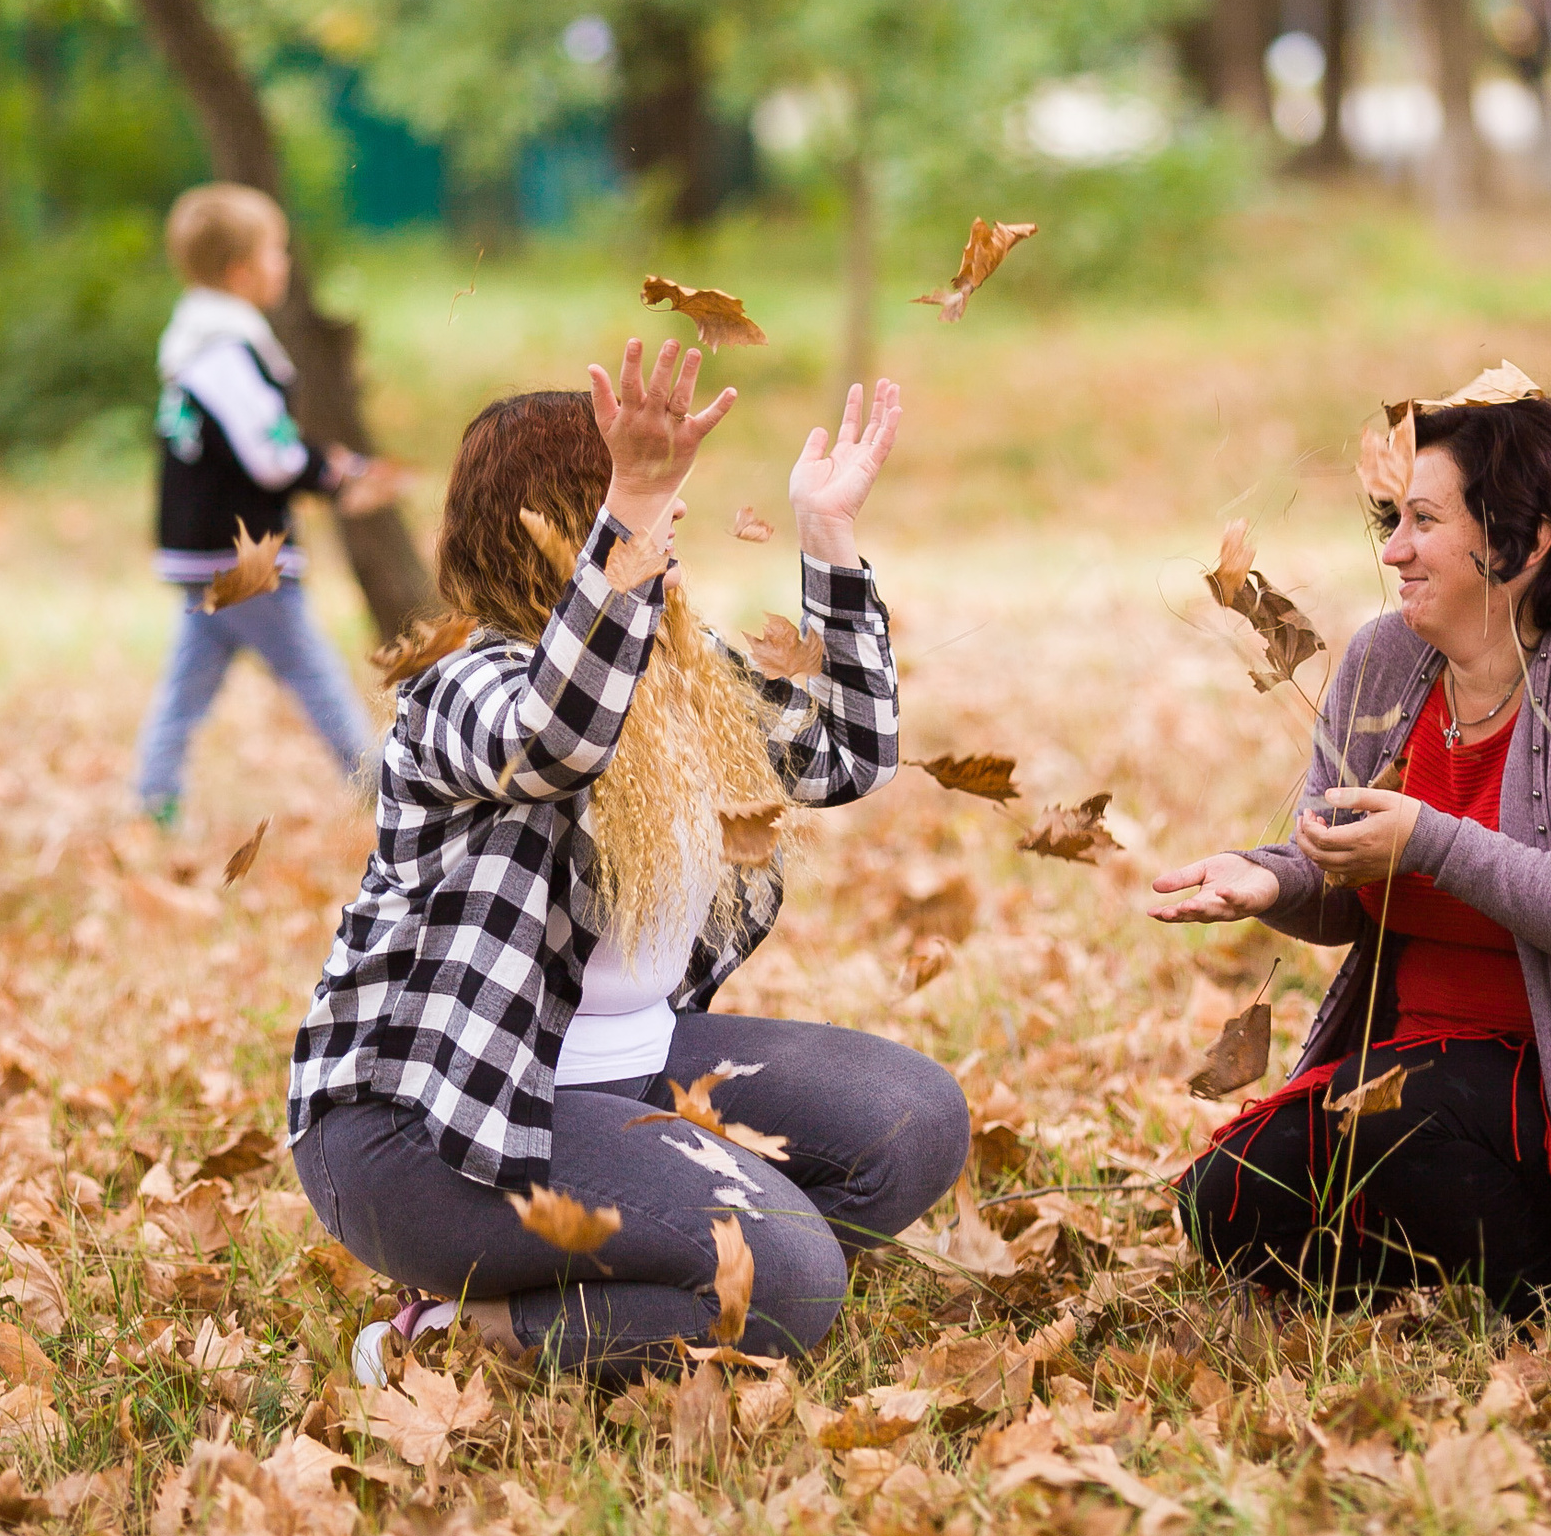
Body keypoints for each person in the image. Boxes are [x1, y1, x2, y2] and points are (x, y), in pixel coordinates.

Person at [286, 339, 970, 1386]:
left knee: (913, 1120)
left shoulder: (673, 678)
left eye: (664, 520)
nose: (672, 539)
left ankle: (686, 1278)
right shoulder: (460, 689)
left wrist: (827, 540)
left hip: (627, 1077)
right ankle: (451, 1339)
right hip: (429, 1131)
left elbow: (849, 757)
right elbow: (557, 741)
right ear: (570, 530)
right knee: (779, 1279)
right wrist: (635, 512)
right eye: (645, 518)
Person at [1151, 386, 1551, 1359]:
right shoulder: (1383, 663)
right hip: (1409, 1074)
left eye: (1423, 521)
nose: (1392, 549)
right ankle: (1472, 1272)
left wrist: (1430, 842)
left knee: (1399, 1123)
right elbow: (1347, 871)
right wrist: (1270, 881)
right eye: (1389, 521)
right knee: (1223, 1202)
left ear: (1521, 545)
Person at [133, 183, 374, 826]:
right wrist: (331, 472)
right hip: (240, 551)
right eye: (276, 253)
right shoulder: (224, 351)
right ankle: (389, 797)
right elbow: (270, 452)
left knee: (191, 677)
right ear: (240, 273)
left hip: (199, 549)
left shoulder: (195, 341)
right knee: (312, 670)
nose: (284, 264)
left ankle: (154, 794)